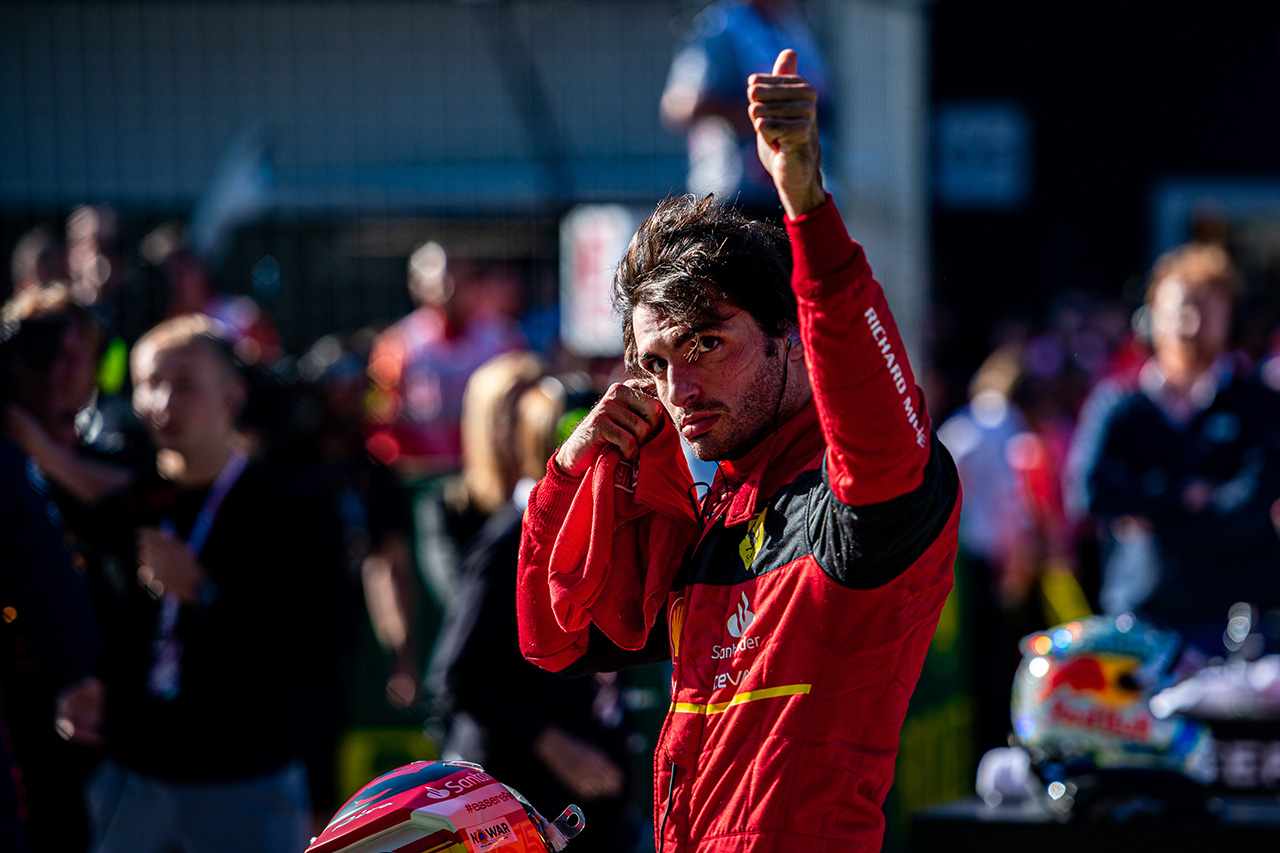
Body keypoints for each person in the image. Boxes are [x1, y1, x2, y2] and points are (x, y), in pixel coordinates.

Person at [518, 51, 960, 851]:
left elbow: (871, 408)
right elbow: (556, 639)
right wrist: (569, 471)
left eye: (707, 343)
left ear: (786, 337)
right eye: (655, 363)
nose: (678, 386)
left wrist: (806, 204)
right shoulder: (708, 512)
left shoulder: (855, 489)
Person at [80, 314, 339, 853]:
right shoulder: (124, 505)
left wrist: (203, 591)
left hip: (245, 778)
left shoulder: (288, 508)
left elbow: (310, 647)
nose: (163, 402)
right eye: (150, 384)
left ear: (232, 396)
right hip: (133, 774)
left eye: (186, 386)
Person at [428, 354, 637, 852]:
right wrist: (553, 745)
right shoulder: (511, 541)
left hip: (595, 805)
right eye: (586, 434)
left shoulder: (613, 528)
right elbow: (455, 680)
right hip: (518, 805)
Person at [1068, 243, 1280, 654]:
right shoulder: (1117, 404)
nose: (1191, 323)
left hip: (1237, 628)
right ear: (1150, 318)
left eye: (1208, 309)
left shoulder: (1262, 407)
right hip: (1138, 622)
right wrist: (1184, 495)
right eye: (1181, 308)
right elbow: (1087, 493)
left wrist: (1147, 512)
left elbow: (1249, 506)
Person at [365, 242, 526, 477]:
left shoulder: (503, 337)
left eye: (458, 278)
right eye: (440, 280)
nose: (449, 288)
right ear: (418, 286)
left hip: (487, 472)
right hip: (421, 472)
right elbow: (379, 414)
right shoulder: (398, 343)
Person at [661, 0, 832, 220]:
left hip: (789, 193)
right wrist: (761, 118)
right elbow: (678, 105)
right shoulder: (720, 27)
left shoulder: (794, 27)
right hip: (733, 198)